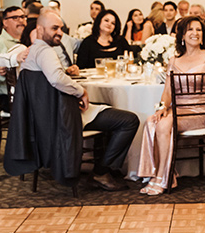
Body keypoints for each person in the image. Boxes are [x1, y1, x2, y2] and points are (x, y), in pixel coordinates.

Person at [23, 12, 139, 191]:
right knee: (128, 120)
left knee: (108, 110)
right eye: (55, 28)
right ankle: (101, 172)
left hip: (50, 113)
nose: (60, 33)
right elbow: (55, 79)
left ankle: (107, 168)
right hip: (64, 117)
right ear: (39, 29)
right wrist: (81, 91)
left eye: (61, 28)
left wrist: (67, 75)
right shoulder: (46, 52)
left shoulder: (31, 53)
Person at [138, 16, 205, 195]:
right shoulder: (174, 61)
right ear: (182, 35)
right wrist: (162, 107)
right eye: (190, 29)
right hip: (178, 110)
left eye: (198, 30)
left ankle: (163, 177)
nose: (195, 33)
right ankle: (161, 173)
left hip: (201, 111)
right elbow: (167, 93)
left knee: (164, 124)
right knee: (152, 120)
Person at [0, 6, 27, 110]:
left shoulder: (28, 40)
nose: (21, 20)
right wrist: (0, 72)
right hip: (9, 96)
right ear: (5, 22)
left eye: (22, 17)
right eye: (15, 18)